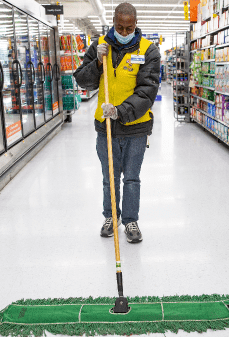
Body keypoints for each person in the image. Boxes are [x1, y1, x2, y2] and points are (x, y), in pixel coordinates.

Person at [73, 3, 161, 243]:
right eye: (119, 28)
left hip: (136, 127)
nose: (123, 33)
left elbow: (147, 91)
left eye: (128, 28)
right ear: (113, 22)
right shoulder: (99, 46)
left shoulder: (148, 50)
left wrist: (119, 111)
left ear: (135, 24)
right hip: (106, 128)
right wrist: (97, 64)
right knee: (109, 178)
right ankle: (112, 216)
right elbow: (83, 81)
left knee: (131, 178)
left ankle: (131, 219)